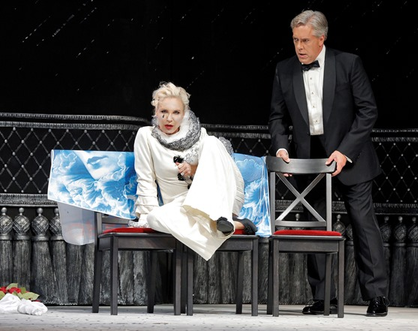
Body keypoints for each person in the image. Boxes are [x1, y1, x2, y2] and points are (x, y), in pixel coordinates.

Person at [268, 10, 389, 317]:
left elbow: (367, 112)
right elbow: (277, 117)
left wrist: (345, 151)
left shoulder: (348, 63)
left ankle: (376, 296)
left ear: (322, 38)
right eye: (295, 40)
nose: (299, 46)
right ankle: (324, 298)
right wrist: (282, 148)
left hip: (350, 159)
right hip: (309, 162)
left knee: (363, 225)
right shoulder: (285, 69)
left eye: (305, 40)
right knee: (315, 228)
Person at [132, 81, 257, 261]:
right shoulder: (146, 136)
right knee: (154, 218)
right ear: (155, 113)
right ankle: (234, 225)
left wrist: (193, 169)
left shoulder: (200, 134)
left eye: (176, 112)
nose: (169, 118)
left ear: (184, 115)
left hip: (212, 199)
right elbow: (145, 179)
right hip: (181, 207)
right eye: (164, 112)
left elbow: (216, 169)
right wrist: (145, 215)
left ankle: (220, 217)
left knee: (214, 143)